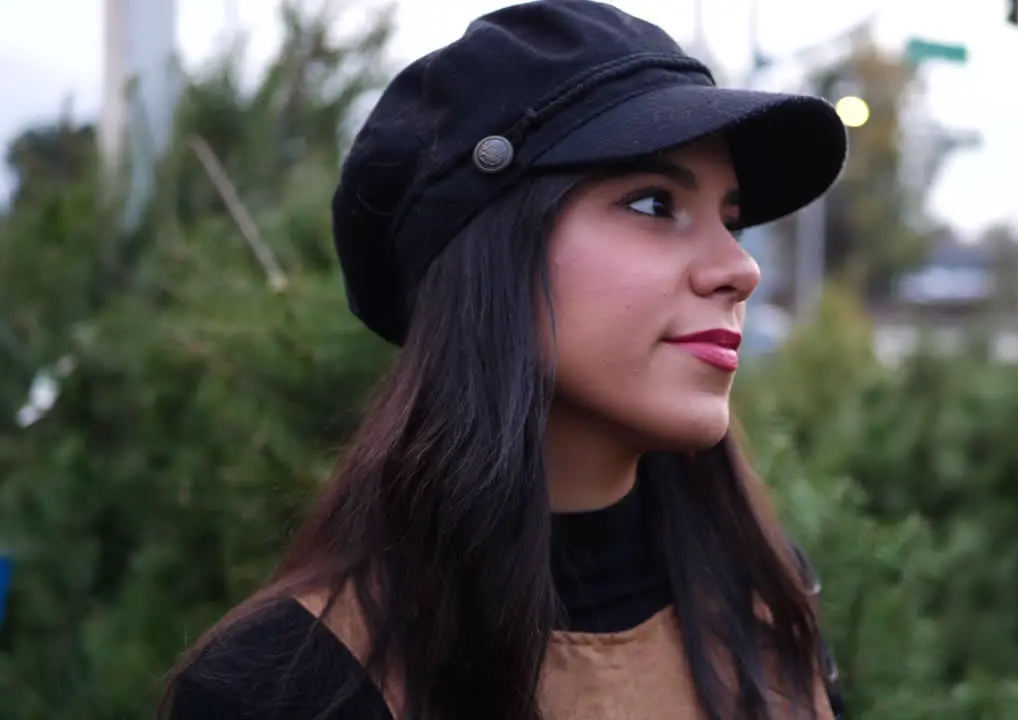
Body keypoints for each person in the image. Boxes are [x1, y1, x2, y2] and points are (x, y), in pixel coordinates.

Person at [159, 1, 849, 719]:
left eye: (729, 221)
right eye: (653, 205)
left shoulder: (768, 610)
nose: (740, 269)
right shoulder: (293, 686)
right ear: (491, 257)